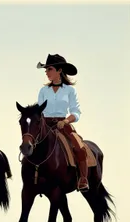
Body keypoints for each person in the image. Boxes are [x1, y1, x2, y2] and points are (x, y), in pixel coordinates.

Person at [36, 54, 89, 192]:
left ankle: (83, 179)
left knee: (79, 147)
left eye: (50, 69)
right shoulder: (43, 91)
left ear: (59, 71)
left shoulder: (70, 90)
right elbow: (39, 110)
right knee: (30, 145)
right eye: (46, 70)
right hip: (45, 125)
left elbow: (76, 112)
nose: (47, 73)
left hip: (63, 124)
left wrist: (66, 120)